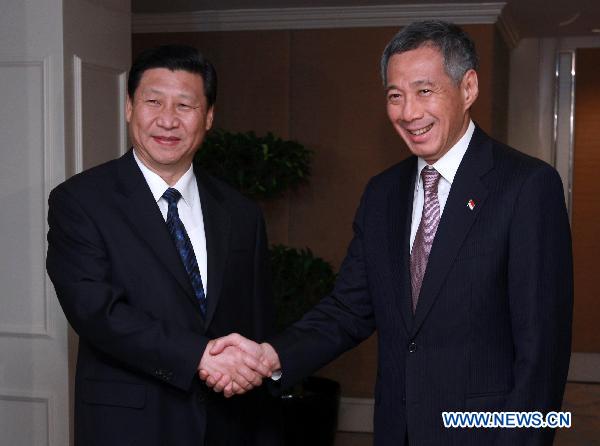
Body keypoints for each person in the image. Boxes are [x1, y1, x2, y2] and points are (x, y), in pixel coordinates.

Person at [204, 20, 573, 445]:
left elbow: (541, 353)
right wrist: (271, 356)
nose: (408, 112)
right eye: (395, 96)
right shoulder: (383, 193)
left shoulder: (526, 186)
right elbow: (349, 309)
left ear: (468, 88)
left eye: (424, 91)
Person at [46, 44, 281, 446]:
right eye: (153, 102)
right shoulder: (81, 201)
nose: (167, 120)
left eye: (185, 106)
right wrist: (198, 355)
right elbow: (96, 312)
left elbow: (257, 319)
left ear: (208, 117)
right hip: (129, 425)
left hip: (228, 421)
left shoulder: (240, 212)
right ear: (129, 108)